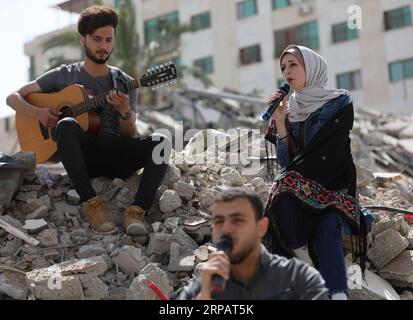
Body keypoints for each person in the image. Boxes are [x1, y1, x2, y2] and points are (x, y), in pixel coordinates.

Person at [6, 6, 171, 236]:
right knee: (65, 124)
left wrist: (124, 111)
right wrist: (39, 114)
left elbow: (130, 135)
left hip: (116, 154)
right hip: (84, 159)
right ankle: (91, 203)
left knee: (161, 141)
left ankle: (137, 209)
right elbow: (13, 97)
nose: (103, 46)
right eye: (96, 39)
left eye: (108, 40)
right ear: (83, 39)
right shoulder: (65, 75)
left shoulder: (123, 82)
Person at [263, 45, 370, 300]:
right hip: (302, 188)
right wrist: (279, 122)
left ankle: (337, 295)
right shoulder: (289, 111)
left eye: (293, 64)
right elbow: (287, 162)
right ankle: (306, 264)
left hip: (335, 186)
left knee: (327, 225)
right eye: (283, 67)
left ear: (311, 67)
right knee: (282, 196)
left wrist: (298, 178)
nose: (287, 71)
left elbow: (330, 153)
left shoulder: (339, 103)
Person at [178, 188, 329, 300]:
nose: (226, 229)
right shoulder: (197, 289)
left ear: (261, 227)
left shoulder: (300, 279)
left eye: (237, 220)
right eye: (219, 221)